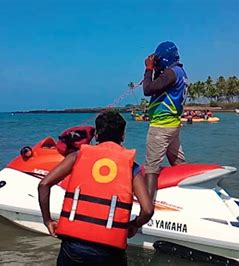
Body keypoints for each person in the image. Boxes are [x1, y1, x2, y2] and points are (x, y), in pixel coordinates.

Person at [38, 111, 154, 266]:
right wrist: (134, 224)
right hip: (109, 252)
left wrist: (47, 220)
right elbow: (147, 210)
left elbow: (44, 184)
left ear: (97, 135)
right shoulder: (131, 167)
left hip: (73, 248)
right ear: (123, 136)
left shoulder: (77, 157)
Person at [142, 41, 187, 199]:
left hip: (161, 126)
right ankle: (186, 193)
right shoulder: (179, 72)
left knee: (151, 168)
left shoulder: (170, 74)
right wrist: (155, 70)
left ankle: (147, 208)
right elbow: (156, 86)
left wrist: (148, 69)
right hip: (172, 126)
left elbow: (148, 89)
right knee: (178, 163)